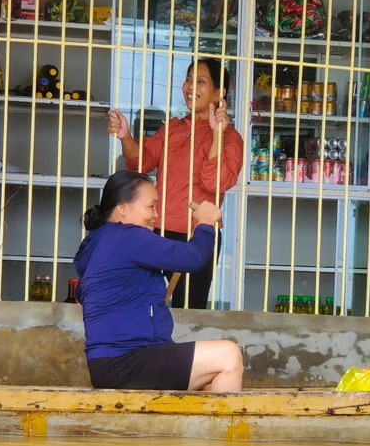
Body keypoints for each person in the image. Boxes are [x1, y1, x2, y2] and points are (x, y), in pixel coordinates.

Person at [74, 169, 244, 392]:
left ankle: (205, 427)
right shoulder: (127, 237)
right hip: (127, 359)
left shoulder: (101, 241)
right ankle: (223, 427)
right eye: (150, 206)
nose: (156, 215)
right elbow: (192, 257)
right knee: (228, 355)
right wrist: (204, 223)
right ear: (123, 208)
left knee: (211, 381)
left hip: (114, 362)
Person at [108, 58, 244, 311]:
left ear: (219, 92)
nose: (191, 86)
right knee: (143, 304)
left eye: (201, 81)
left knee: (187, 311)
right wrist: (126, 136)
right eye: (189, 79)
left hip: (196, 236)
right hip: (154, 231)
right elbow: (141, 162)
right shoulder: (173, 127)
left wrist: (217, 133)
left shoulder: (231, 138)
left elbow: (216, 183)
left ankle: (182, 351)